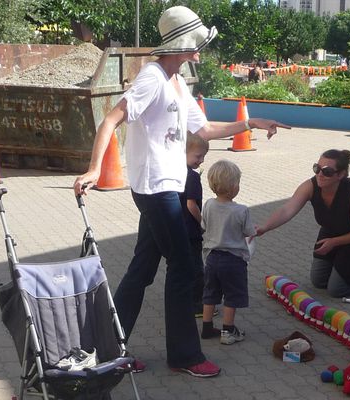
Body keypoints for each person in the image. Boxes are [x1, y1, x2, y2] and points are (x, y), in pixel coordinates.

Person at [73, 6, 289, 378]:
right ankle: (184, 355)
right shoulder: (153, 78)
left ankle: (107, 349)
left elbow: (203, 131)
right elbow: (111, 118)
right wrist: (95, 168)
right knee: (185, 268)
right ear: (180, 46)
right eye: (195, 45)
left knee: (142, 269)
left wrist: (249, 121)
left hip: (165, 187)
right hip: (156, 189)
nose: (199, 51)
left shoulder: (176, 81)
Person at [256, 149, 350, 298]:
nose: (320, 174)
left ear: (341, 174)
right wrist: (265, 227)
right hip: (331, 232)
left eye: (327, 171)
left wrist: (334, 242)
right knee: (319, 281)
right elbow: (286, 209)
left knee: (337, 289)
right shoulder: (310, 186)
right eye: (317, 168)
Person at [200, 160, 256, 345]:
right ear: (233, 187)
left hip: (212, 258)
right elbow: (249, 232)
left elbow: (204, 226)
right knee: (232, 295)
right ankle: (228, 330)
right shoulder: (241, 210)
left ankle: (207, 327)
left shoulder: (208, 205)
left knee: (210, 292)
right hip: (233, 260)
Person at [179, 134, 210, 318]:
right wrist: (202, 222)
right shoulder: (192, 177)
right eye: (198, 156)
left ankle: (181, 300)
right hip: (191, 230)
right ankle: (197, 305)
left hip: (177, 226)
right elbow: (192, 204)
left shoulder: (174, 171)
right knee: (197, 268)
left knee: (182, 266)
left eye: (203, 156)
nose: (201, 160)